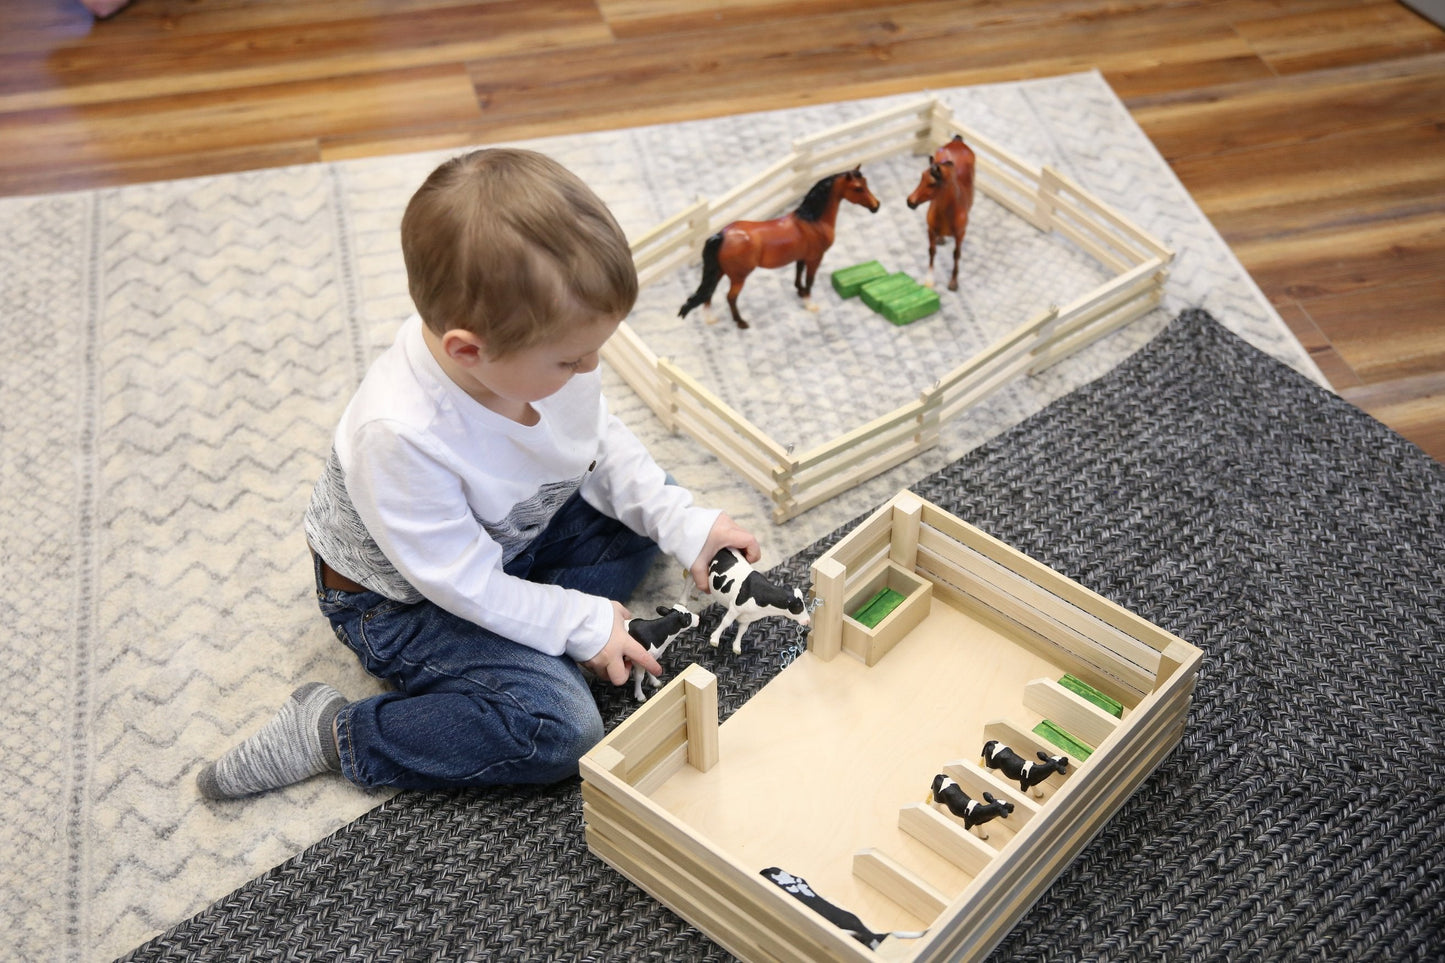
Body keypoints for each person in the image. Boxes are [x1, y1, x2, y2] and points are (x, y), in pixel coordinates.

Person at [198, 148, 759, 799]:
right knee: (557, 726)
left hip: (512, 533)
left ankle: (531, 636)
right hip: (403, 599)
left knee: (638, 524)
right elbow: (462, 582)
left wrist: (684, 524)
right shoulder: (399, 432)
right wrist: (580, 623)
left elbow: (597, 440)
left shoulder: (547, 351)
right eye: (571, 361)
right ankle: (337, 732)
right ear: (467, 349)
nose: (590, 370)